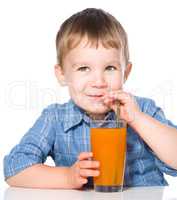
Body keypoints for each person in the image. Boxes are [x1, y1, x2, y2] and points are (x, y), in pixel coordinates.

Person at [4, 8, 177, 189]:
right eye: (84, 68)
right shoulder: (55, 118)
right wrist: (67, 177)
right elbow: (14, 169)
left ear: (126, 73)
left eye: (110, 68)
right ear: (62, 74)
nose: (98, 82)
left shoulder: (142, 110)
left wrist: (138, 120)